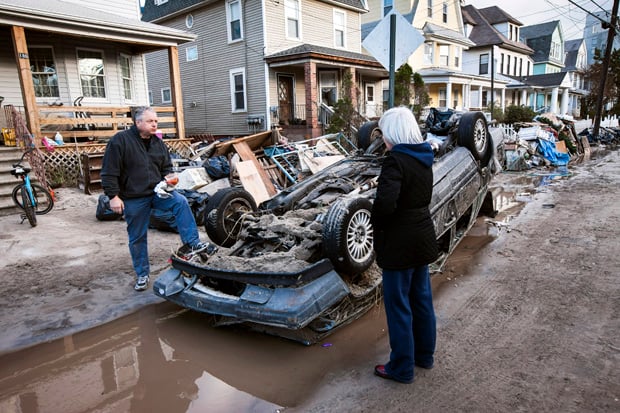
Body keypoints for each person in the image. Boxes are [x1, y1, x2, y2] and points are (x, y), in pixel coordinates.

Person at [101, 106, 212, 291]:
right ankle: (142, 274)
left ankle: (193, 244)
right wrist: (113, 196)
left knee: (181, 202)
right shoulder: (120, 142)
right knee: (137, 237)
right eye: (150, 121)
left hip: (157, 192)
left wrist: (169, 178)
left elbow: (165, 166)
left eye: (156, 122)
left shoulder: (157, 143)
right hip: (133, 197)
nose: (155, 125)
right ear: (138, 123)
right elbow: (109, 172)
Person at [370, 106, 439, 384]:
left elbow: (386, 204)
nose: (384, 139)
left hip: (399, 243)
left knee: (398, 305)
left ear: (394, 133)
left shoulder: (395, 161)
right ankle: (424, 356)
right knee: (421, 300)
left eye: (386, 133)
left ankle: (401, 367)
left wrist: (376, 223)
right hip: (422, 238)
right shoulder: (424, 157)